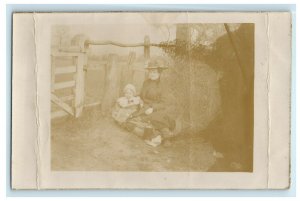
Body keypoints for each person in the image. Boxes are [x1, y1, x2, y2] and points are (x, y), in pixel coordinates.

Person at [125, 60, 178, 147]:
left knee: (156, 117)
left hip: (158, 108)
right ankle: (155, 135)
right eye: (150, 72)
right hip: (144, 108)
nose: (152, 74)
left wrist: (152, 108)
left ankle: (166, 136)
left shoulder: (163, 85)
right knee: (129, 121)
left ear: (159, 73)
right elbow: (142, 95)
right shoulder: (146, 83)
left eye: (154, 72)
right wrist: (136, 97)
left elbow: (164, 103)